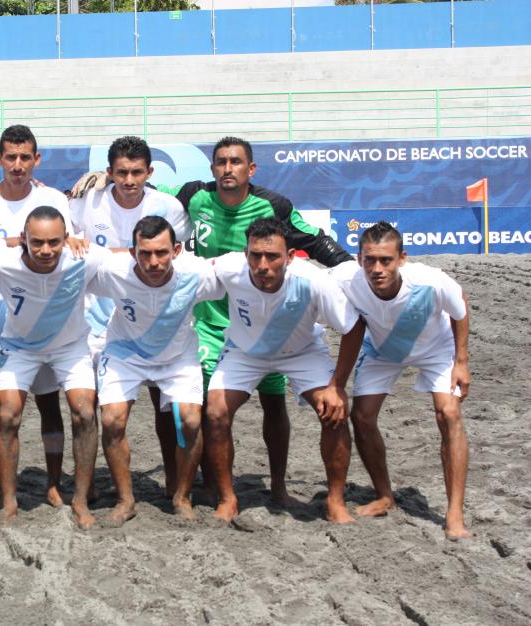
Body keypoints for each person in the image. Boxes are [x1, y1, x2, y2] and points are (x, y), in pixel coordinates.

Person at [159, 137, 353, 505]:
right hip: (212, 324)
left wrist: (353, 269)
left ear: (251, 169)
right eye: (221, 162)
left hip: (268, 324)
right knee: (207, 409)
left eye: (235, 162)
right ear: (212, 168)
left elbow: (314, 240)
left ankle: (278, 487)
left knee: (273, 403)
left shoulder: (272, 205)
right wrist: (99, 182)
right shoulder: (195, 195)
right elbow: (148, 192)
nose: (227, 168)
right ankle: (212, 486)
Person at [206, 218, 363, 524]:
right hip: (245, 351)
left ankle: (335, 499)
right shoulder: (228, 267)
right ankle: (227, 497)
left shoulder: (313, 280)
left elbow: (353, 327)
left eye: (272, 256)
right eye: (255, 255)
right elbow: (181, 275)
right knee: (215, 412)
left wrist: (337, 386)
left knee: (334, 411)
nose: (262, 265)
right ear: (245, 253)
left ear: (290, 256)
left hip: (301, 352)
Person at [70, 135, 192, 498]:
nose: (129, 180)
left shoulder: (168, 207)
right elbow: (66, 239)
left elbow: (178, 256)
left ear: (150, 172)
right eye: (121, 172)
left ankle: (174, 482)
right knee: (95, 410)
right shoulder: (86, 202)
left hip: (154, 321)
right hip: (97, 322)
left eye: (137, 172)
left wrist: (112, 253)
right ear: (108, 172)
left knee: (164, 408)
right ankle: (90, 484)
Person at [332, 221, 471, 539]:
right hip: (383, 351)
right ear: (359, 259)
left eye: (386, 260)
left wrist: (462, 362)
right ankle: (384, 496)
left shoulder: (430, 280)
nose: (377, 269)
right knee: (361, 417)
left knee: (449, 414)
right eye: (370, 260)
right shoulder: (345, 278)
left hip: (436, 349)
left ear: (402, 258)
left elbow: (460, 307)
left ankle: (454, 514)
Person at [0, 125, 72, 509]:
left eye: (26, 157)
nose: (18, 165)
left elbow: (67, 248)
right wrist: (14, 242)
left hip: (42, 324)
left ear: (37, 159)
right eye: (11, 157)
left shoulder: (54, 200)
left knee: (49, 405)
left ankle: (54, 482)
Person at [88, 216, 222, 525]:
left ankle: (182, 496)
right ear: (131, 252)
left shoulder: (197, 273)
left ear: (176, 250)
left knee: (190, 421)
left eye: (161, 253)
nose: (153, 262)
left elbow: (241, 271)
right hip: (125, 353)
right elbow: (63, 264)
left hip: (177, 357)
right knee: (111, 420)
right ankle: (125, 500)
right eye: (145, 253)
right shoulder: (112, 270)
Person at [0, 206, 106, 529]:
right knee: (7, 416)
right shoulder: (1, 262)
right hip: (20, 348)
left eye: (54, 242)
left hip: (70, 348)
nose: (46, 250)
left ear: (66, 239)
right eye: (37, 242)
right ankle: (9, 501)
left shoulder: (84, 258)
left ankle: (79, 500)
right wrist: (7, 242)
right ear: (23, 239)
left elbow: (128, 256)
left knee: (85, 413)